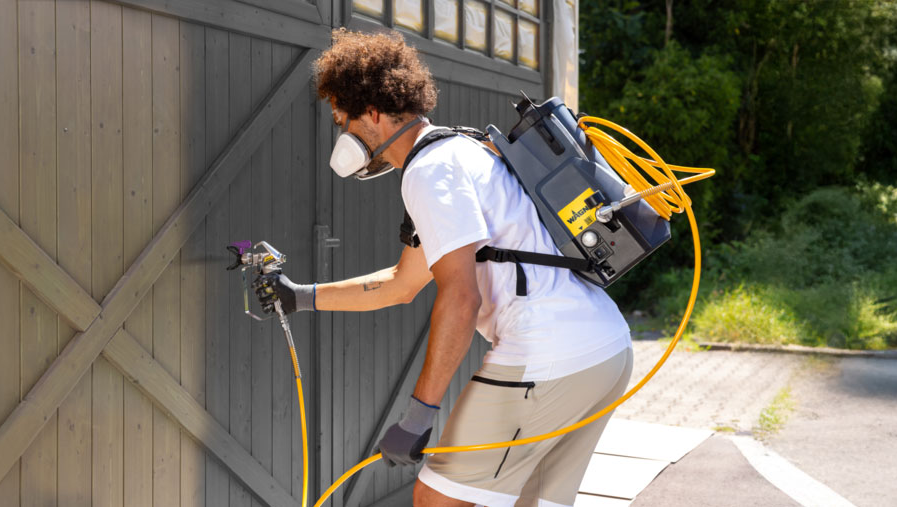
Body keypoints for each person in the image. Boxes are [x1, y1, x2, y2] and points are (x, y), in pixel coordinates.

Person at [257, 28, 633, 507]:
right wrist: (301, 295)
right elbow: (402, 284)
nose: (343, 133)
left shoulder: (429, 171)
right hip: (604, 348)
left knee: (438, 499)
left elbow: (460, 296)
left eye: (342, 119)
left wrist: (418, 416)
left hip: (547, 356)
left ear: (372, 113)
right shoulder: (459, 149)